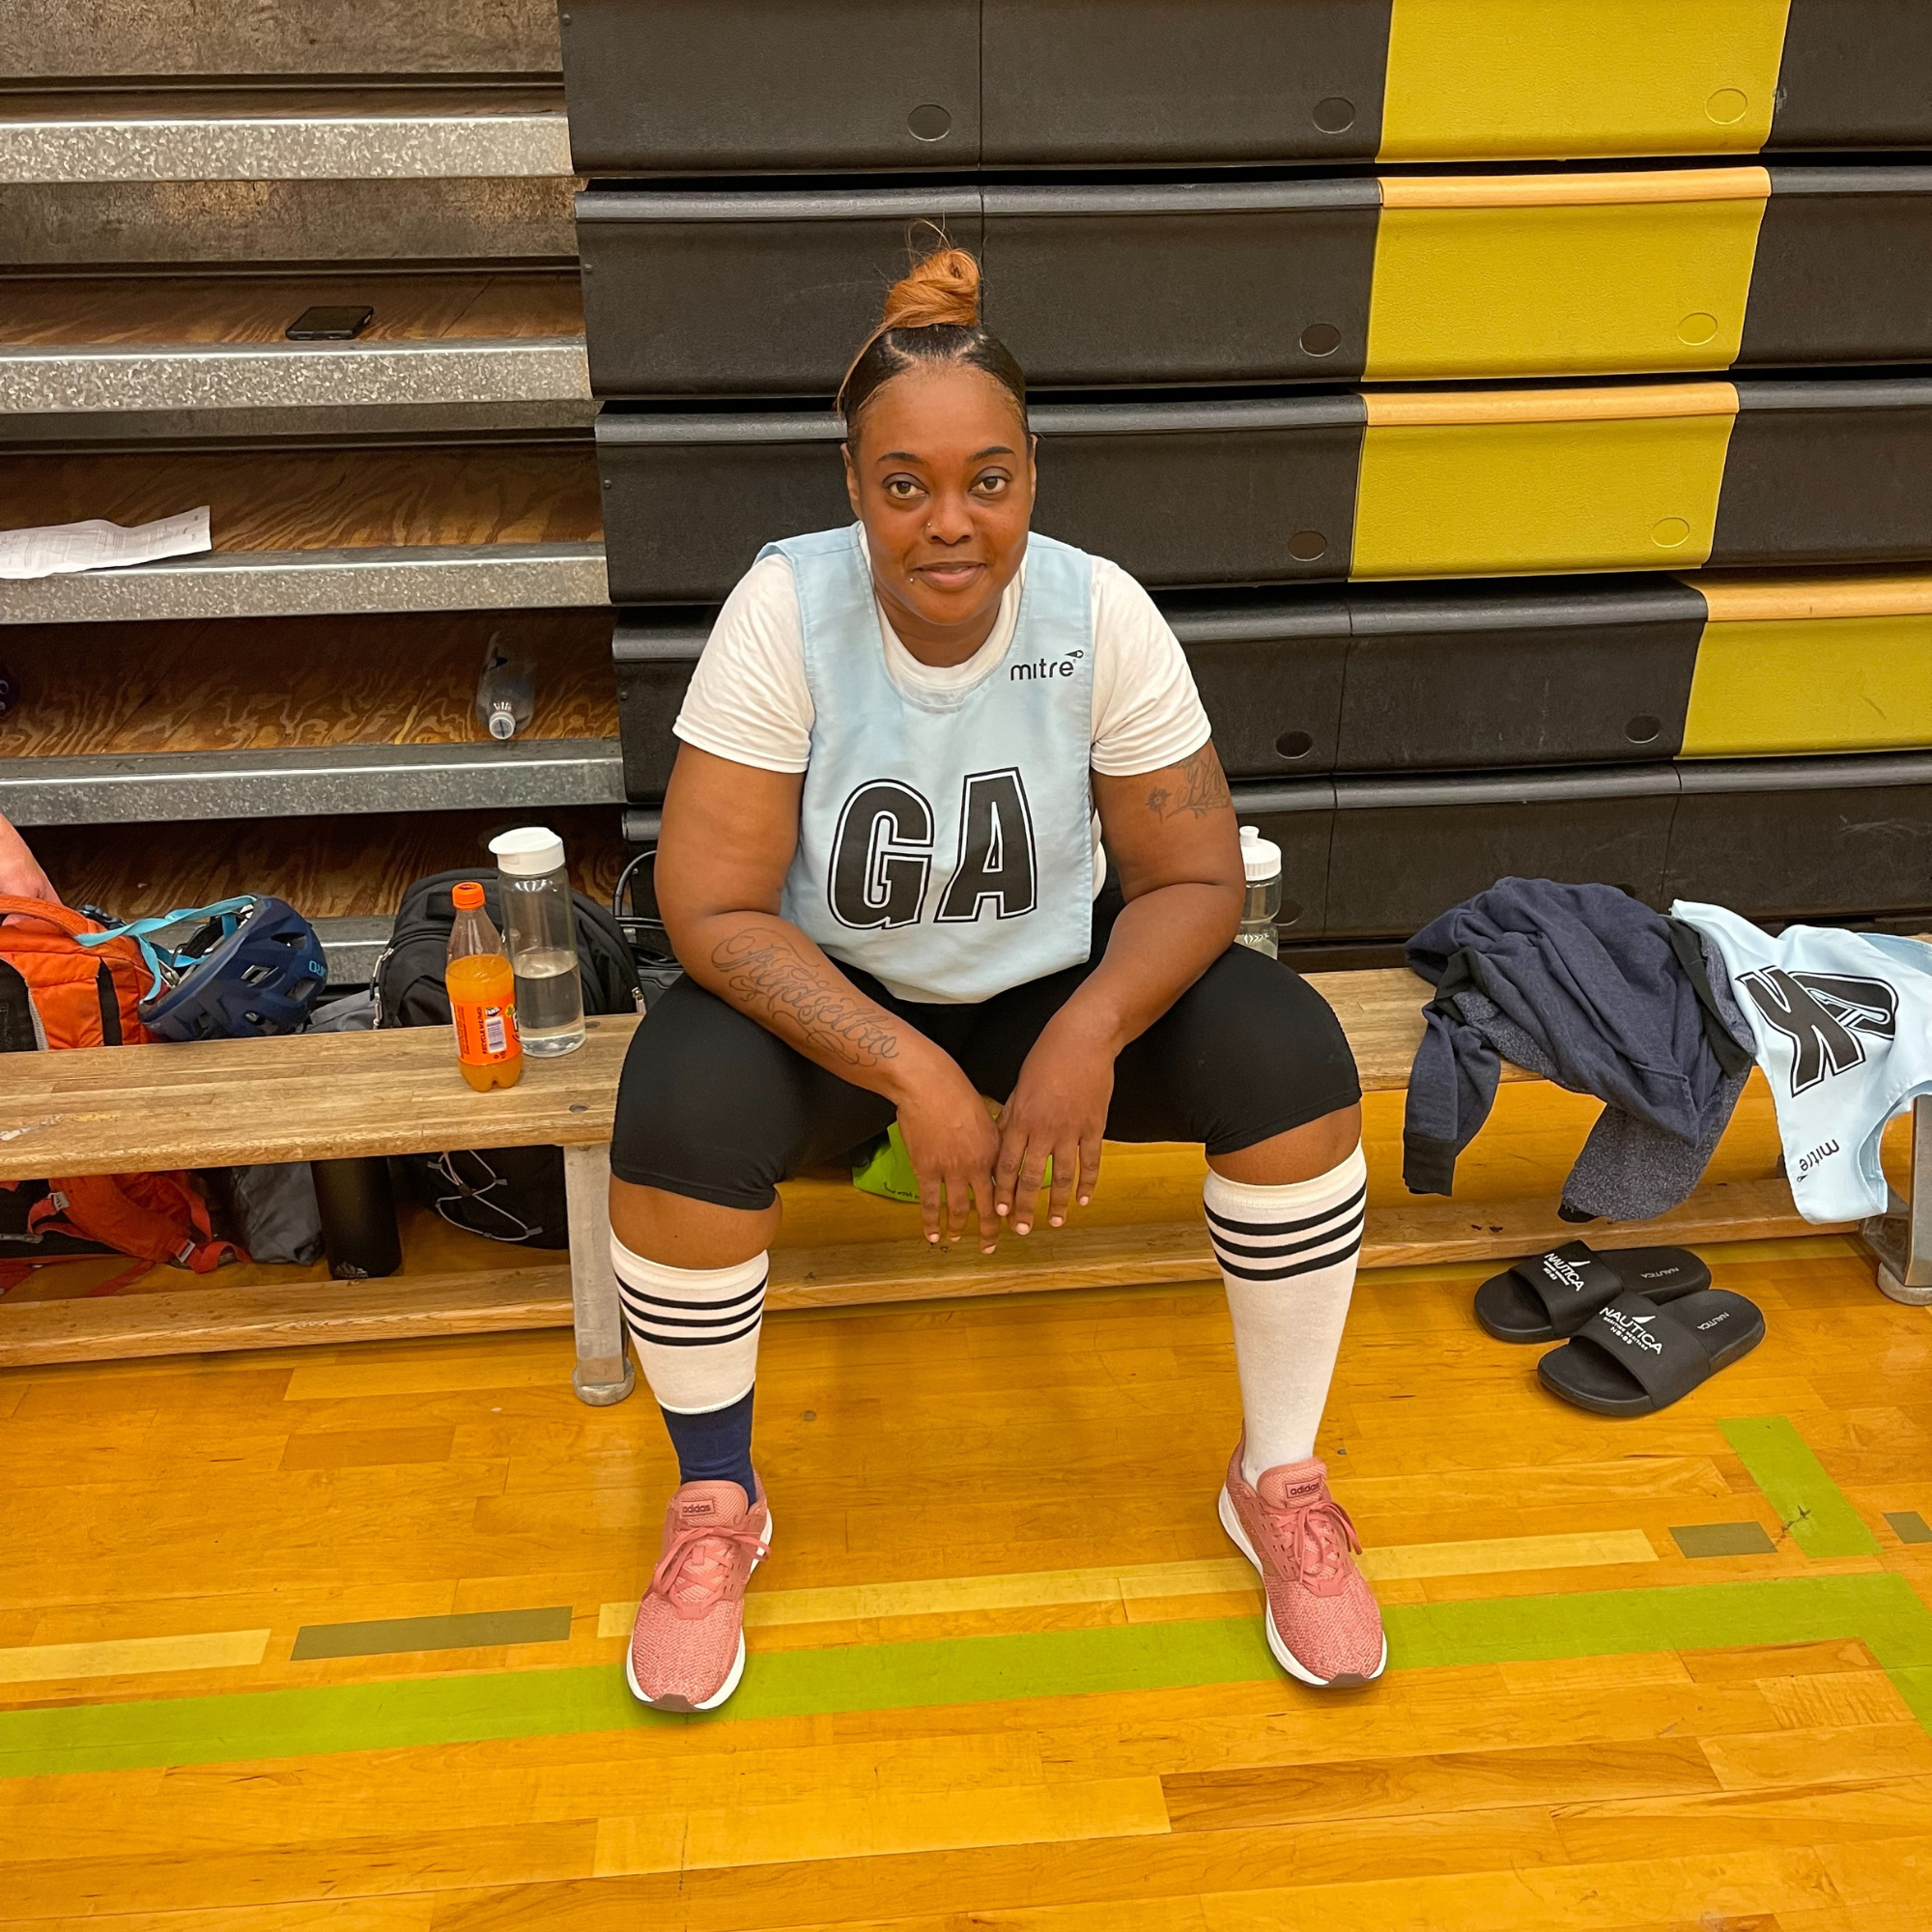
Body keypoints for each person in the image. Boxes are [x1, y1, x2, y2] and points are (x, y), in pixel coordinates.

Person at [608, 248, 1383, 1713]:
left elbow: (1200, 881)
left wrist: (1085, 1031)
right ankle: (718, 1505)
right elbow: (704, 906)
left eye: (989, 479)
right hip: (832, 1004)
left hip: (1042, 988)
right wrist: (909, 1070)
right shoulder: (784, 611)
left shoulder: (1101, 614)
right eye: (905, 485)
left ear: (1032, 475)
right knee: (673, 1108)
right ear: (853, 486)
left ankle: (1276, 1477)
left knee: (1291, 1058)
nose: (950, 523)